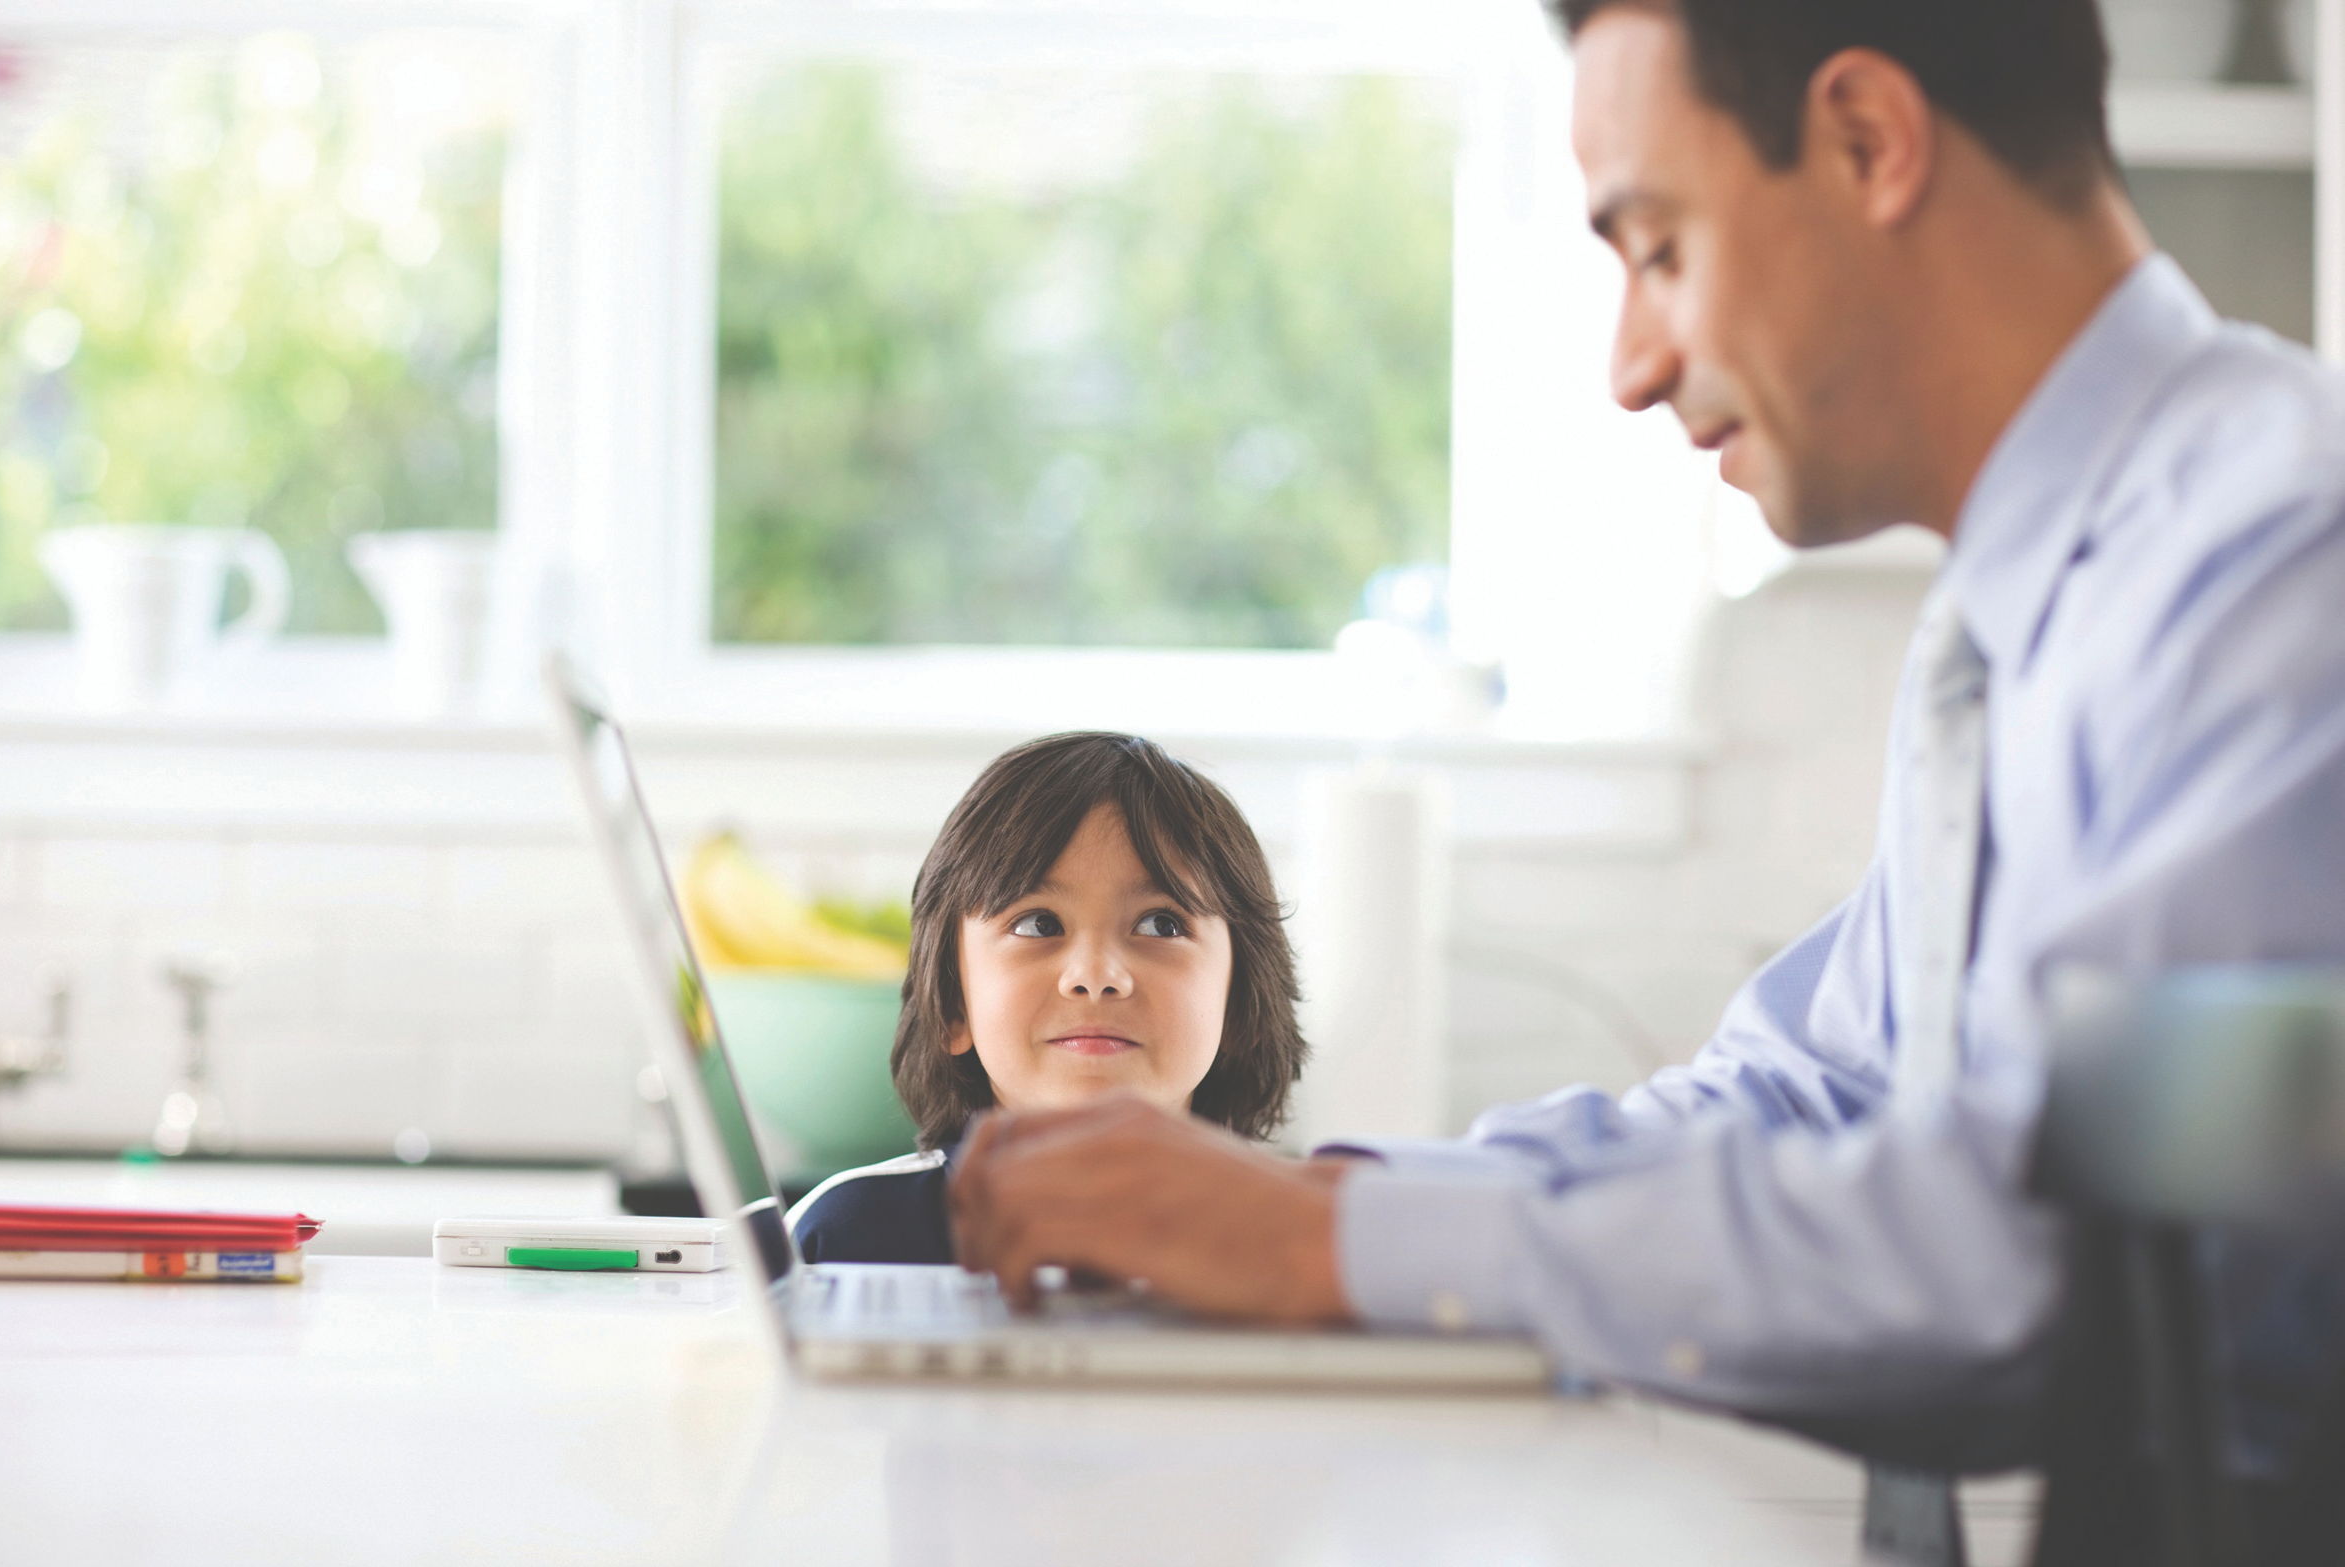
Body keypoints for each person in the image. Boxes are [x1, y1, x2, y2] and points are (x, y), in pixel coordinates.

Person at [948, 0, 2345, 1469]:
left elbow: (2046, 1247)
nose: (1630, 366)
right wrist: (1301, 1203)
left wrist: (1332, 1241)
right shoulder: (2018, 615)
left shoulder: (2276, 564)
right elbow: (1807, 1094)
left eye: (1659, 249)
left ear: (1869, 141)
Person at [786, 731, 1307, 1263]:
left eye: (1161, 924)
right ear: (953, 1005)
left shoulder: (1306, 1247)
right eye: (1039, 924)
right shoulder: (844, 1235)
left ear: (1239, 1003)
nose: (1095, 976)